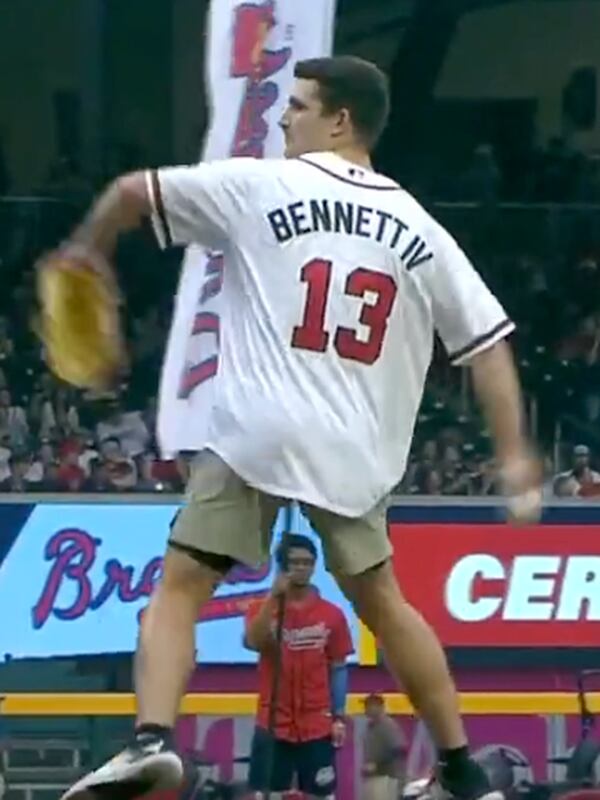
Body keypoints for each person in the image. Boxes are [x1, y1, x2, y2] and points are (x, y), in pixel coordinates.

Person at [55, 55, 541, 800]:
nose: (286, 117)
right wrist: (514, 459)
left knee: (181, 585)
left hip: (259, 429)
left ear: (340, 120)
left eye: (300, 105)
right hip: (353, 449)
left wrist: (84, 249)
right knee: (385, 602)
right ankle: (462, 771)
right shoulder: (420, 226)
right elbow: (488, 348)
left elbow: (129, 193)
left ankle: (149, 742)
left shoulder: (261, 184)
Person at [244, 533, 352, 799]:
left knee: (321, 792)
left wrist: (338, 716)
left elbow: (338, 667)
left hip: (316, 723)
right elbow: (253, 641)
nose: (302, 568)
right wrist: (273, 597)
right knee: (267, 793)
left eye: (308, 562)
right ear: (282, 567)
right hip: (273, 722)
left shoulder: (332, 614)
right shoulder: (263, 608)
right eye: (295, 562)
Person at [361, 693, 407, 800]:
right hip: (375, 778)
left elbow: (399, 749)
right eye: (366, 706)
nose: (366, 709)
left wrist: (376, 764)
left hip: (387, 778)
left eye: (369, 706)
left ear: (380, 707)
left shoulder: (387, 725)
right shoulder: (371, 727)